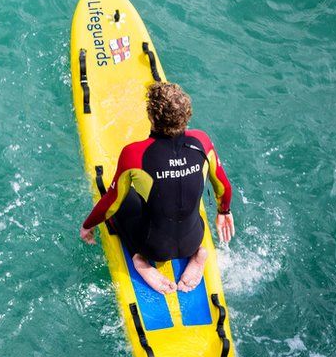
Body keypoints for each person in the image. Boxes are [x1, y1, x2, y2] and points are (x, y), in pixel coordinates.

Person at [79, 82, 235, 295]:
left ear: (151, 117)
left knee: (121, 197)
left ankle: (141, 262)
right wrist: (224, 212)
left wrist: (88, 225)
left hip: (153, 247)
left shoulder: (135, 154)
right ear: (187, 115)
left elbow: (111, 203)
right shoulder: (202, 142)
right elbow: (224, 186)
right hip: (194, 238)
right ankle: (198, 255)